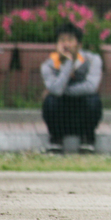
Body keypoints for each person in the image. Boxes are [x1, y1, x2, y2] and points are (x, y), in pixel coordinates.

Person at [40, 22, 103, 154]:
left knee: (94, 100)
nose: (66, 45)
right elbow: (56, 91)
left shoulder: (93, 60)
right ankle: (56, 139)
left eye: (70, 40)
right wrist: (68, 62)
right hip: (61, 115)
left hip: (83, 114)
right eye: (62, 40)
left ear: (79, 45)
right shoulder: (48, 66)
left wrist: (61, 90)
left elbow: (91, 87)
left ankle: (87, 138)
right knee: (50, 101)